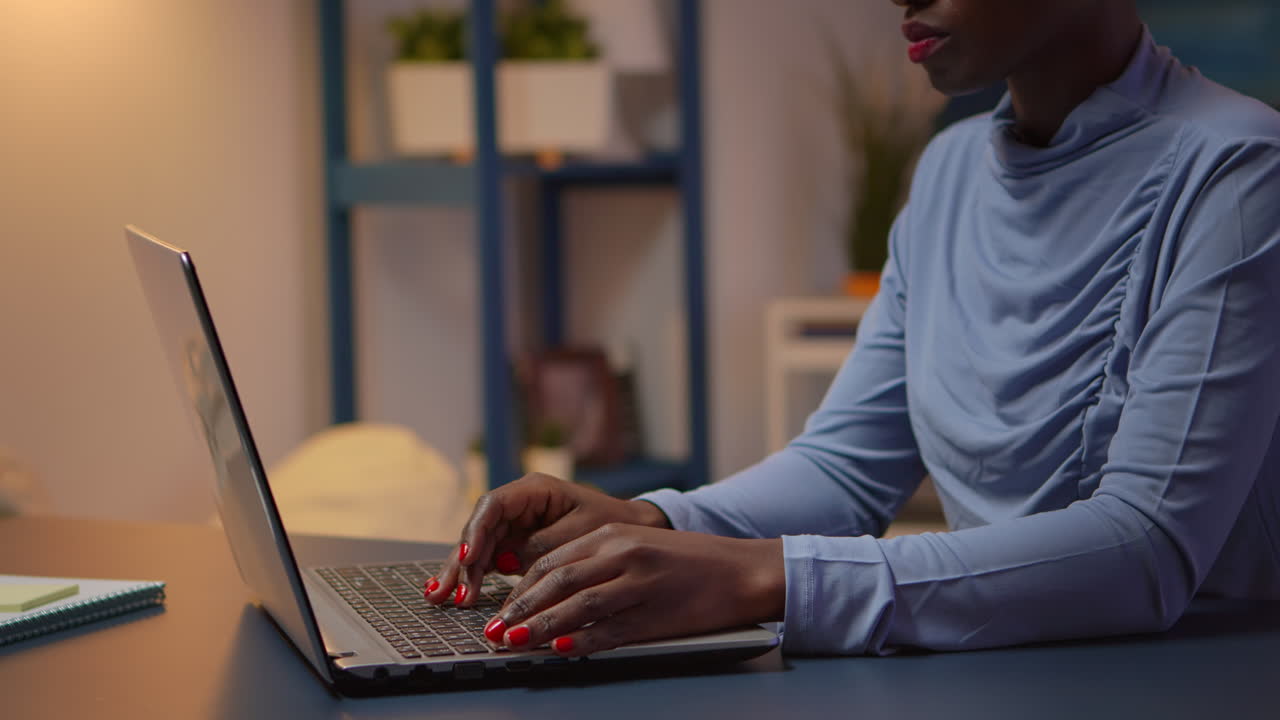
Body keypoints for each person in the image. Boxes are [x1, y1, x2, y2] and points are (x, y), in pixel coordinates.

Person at [425, 0, 1280, 656]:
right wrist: (653, 522)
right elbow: (846, 468)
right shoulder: (947, 173)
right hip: (996, 670)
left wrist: (772, 578)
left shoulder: (1237, 171)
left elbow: (1147, 552)